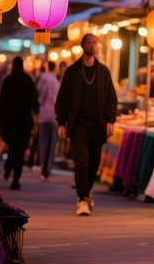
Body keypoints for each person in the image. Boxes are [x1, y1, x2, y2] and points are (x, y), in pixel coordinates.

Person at [55, 34, 117, 216]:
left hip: (97, 125)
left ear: (98, 46)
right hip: (78, 125)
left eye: (94, 42)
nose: (92, 45)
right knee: (81, 160)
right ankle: (81, 198)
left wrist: (111, 120)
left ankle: (87, 191)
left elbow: (112, 99)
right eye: (88, 42)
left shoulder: (103, 72)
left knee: (93, 163)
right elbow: (62, 99)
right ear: (83, 45)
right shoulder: (72, 71)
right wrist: (61, 122)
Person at [0, 57, 39, 190]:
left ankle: (8, 166)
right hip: (24, 120)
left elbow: (1, 99)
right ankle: (16, 179)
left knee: (12, 146)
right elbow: (35, 101)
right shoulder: (28, 80)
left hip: (10, 119)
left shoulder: (7, 80)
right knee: (20, 149)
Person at [36, 60, 60, 180]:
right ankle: (47, 169)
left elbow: (38, 93)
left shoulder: (43, 78)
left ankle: (42, 168)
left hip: (44, 114)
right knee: (52, 144)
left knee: (43, 142)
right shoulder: (56, 81)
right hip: (54, 116)